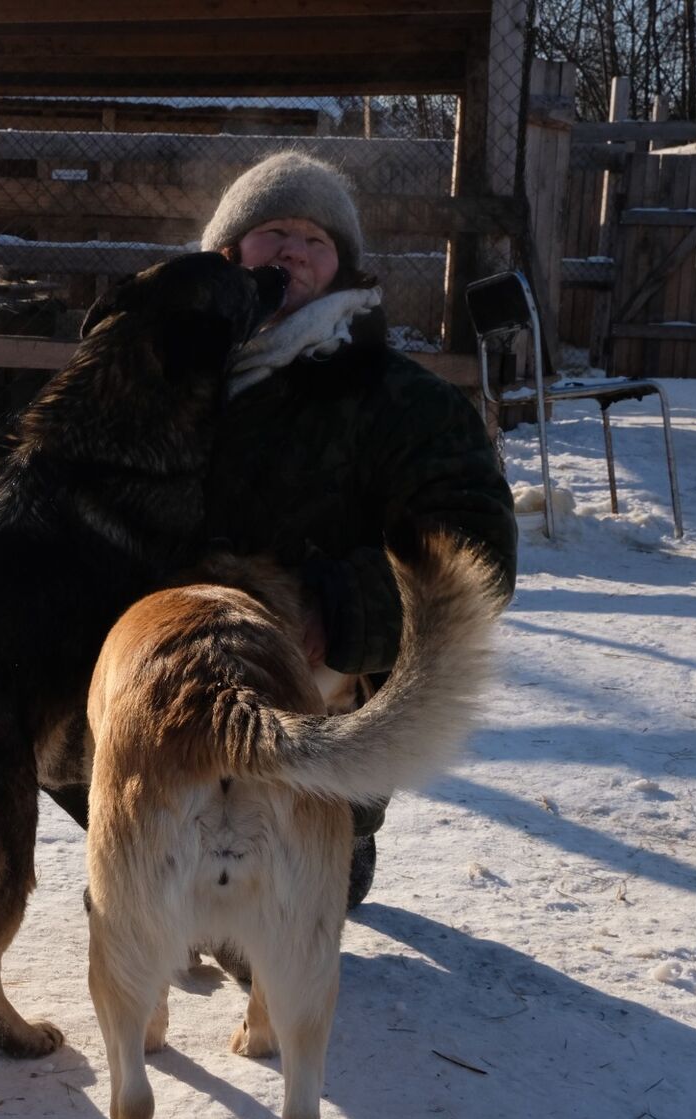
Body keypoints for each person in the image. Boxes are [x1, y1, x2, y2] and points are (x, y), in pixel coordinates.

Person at [198, 151, 519, 907]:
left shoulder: (400, 402)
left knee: (267, 939)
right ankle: (158, 846)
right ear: (228, 252)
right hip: (166, 665)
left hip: (316, 697)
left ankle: (335, 840)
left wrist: (337, 608)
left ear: (342, 269)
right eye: (273, 229)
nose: (293, 251)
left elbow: (479, 551)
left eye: (317, 240)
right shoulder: (158, 374)